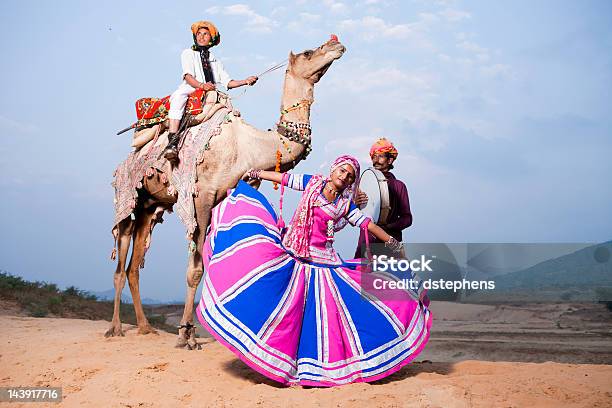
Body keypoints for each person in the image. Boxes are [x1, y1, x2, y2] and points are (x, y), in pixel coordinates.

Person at [195, 155, 431, 387]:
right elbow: (286, 179)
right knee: (282, 309)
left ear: (351, 182)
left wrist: (392, 243)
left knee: (319, 319)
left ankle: (313, 368)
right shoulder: (313, 184)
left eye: (350, 175)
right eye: (342, 171)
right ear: (333, 171)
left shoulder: (344, 205)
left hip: (323, 263)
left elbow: (366, 223)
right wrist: (258, 174)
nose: (344, 176)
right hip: (295, 252)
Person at [163, 21, 259, 162]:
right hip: (192, 88)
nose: (201, 37)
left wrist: (245, 81)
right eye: (199, 34)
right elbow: (188, 76)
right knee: (178, 96)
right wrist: (202, 85)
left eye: (205, 34)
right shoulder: (188, 53)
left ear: (211, 39)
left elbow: (228, 82)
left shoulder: (215, 61)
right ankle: (172, 140)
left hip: (211, 92)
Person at [354, 138, 413, 258]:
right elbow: (353, 216)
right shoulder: (363, 183)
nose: (376, 160)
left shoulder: (399, 186)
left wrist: (386, 227)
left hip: (389, 245)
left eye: (380, 156)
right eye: (373, 157)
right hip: (367, 242)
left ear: (390, 160)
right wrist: (355, 204)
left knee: (389, 276)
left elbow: (407, 218)